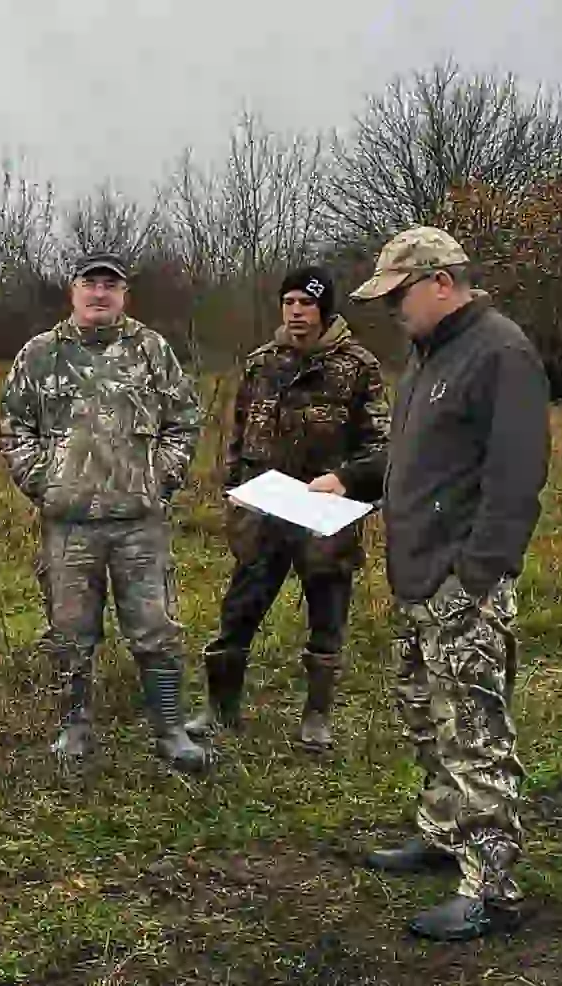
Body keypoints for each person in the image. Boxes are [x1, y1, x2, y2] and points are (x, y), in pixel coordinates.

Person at [349, 226, 550, 941]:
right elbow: (414, 457)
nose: (392, 311)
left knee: (474, 731)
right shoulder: (428, 354)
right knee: (426, 717)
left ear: (440, 281)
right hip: (416, 577)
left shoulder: (500, 354)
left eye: (398, 295)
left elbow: (516, 479)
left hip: (462, 584)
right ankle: (444, 834)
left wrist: (476, 575)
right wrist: (349, 479)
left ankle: (492, 887)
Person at [0, 252, 206, 773]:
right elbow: (13, 429)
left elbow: (183, 422)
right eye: (90, 284)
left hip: (139, 523)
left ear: (123, 295)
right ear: (73, 292)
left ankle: (170, 729)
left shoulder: (152, 350)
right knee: (70, 632)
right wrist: (45, 484)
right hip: (69, 526)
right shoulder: (40, 355)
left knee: (156, 627)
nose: (99, 293)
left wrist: (160, 479)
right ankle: (75, 726)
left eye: (110, 285)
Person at [185, 266, 389, 751]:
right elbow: (237, 436)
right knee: (239, 609)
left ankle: (317, 717)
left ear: (325, 309)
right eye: (289, 302)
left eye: (306, 303)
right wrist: (234, 490)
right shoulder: (261, 364)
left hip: (325, 512)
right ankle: (220, 707)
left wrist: (345, 481)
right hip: (265, 507)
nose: (296, 312)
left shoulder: (358, 367)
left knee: (326, 611)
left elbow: (381, 446)